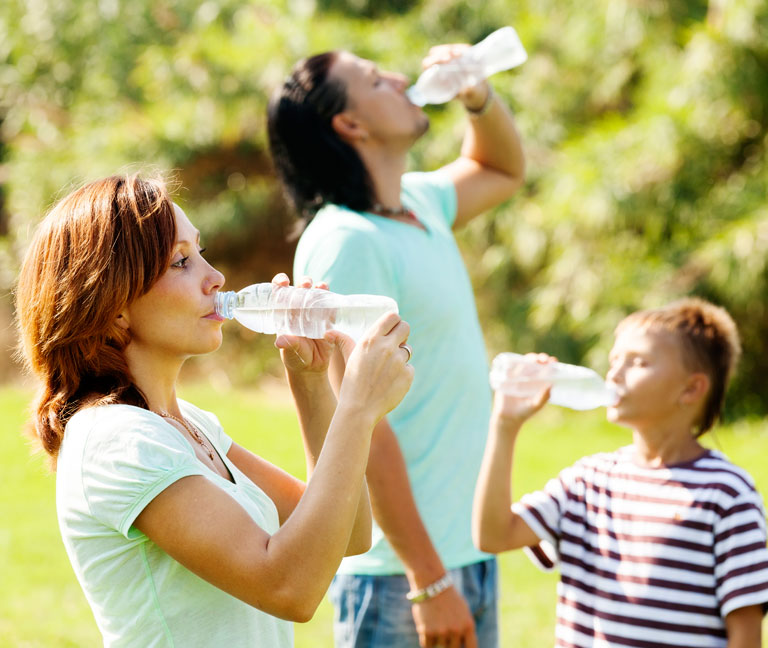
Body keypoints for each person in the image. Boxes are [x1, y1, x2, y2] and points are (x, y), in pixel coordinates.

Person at [14, 173, 414, 647]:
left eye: (200, 252)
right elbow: (290, 588)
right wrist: (357, 408)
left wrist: (311, 384)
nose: (215, 278)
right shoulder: (114, 439)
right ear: (115, 306)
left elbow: (349, 534)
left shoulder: (187, 423)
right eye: (181, 262)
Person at [267, 40, 525, 648]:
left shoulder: (418, 204)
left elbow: (502, 169)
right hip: (402, 578)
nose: (401, 77)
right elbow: (364, 420)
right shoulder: (347, 241)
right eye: (376, 79)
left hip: (461, 551)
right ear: (350, 124)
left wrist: (477, 94)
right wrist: (428, 580)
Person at [473, 298, 768, 648]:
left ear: (691, 388)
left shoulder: (726, 495)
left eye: (638, 362)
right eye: (615, 360)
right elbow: (493, 536)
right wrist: (505, 425)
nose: (614, 374)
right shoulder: (588, 481)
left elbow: (746, 632)